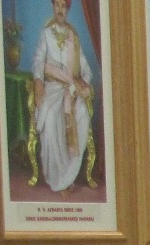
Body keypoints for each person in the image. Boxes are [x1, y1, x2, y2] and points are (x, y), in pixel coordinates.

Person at [31, 0, 93, 194]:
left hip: (70, 91)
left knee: (81, 112)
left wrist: (80, 86)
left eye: (63, 6)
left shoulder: (73, 37)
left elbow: (87, 71)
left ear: (67, 10)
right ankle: (57, 179)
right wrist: (39, 82)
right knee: (49, 116)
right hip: (51, 89)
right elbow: (38, 61)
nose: (59, 10)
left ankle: (69, 177)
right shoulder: (46, 34)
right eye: (57, 5)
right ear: (53, 7)